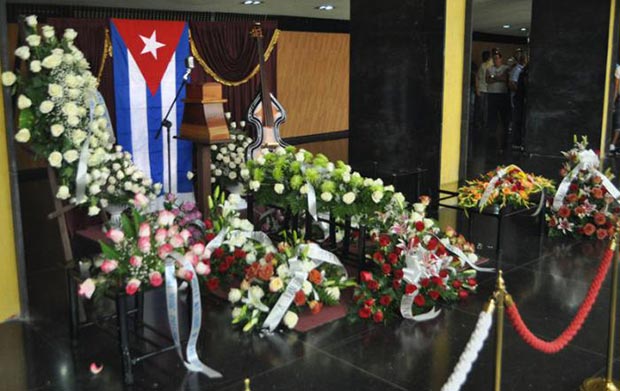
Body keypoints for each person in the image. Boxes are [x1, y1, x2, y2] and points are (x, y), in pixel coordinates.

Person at [486, 49, 511, 153]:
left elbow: (505, 79)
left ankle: (504, 134)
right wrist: (498, 78)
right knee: (492, 115)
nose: (496, 60)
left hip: (502, 94)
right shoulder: (489, 68)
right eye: (494, 58)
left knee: (503, 115)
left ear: (501, 59)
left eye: (497, 58)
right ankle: (491, 134)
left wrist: (494, 77)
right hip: (492, 94)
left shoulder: (506, 68)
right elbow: (487, 80)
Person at [509, 50, 527, 150]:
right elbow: (512, 83)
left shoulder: (523, 70)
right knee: (516, 119)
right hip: (517, 98)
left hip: (519, 98)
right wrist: (520, 90)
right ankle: (515, 141)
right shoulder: (517, 70)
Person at [475, 50, 492, 133]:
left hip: (485, 89)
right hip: (484, 89)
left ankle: (483, 124)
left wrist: (477, 88)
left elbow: (477, 77)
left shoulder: (486, 65)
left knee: (484, 108)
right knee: (483, 108)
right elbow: (477, 77)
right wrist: (477, 88)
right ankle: (481, 124)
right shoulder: (484, 65)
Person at [609, 64, 620, 154]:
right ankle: (613, 145)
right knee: (618, 124)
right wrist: (613, 102)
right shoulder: (619, 69)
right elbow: (616, 88)